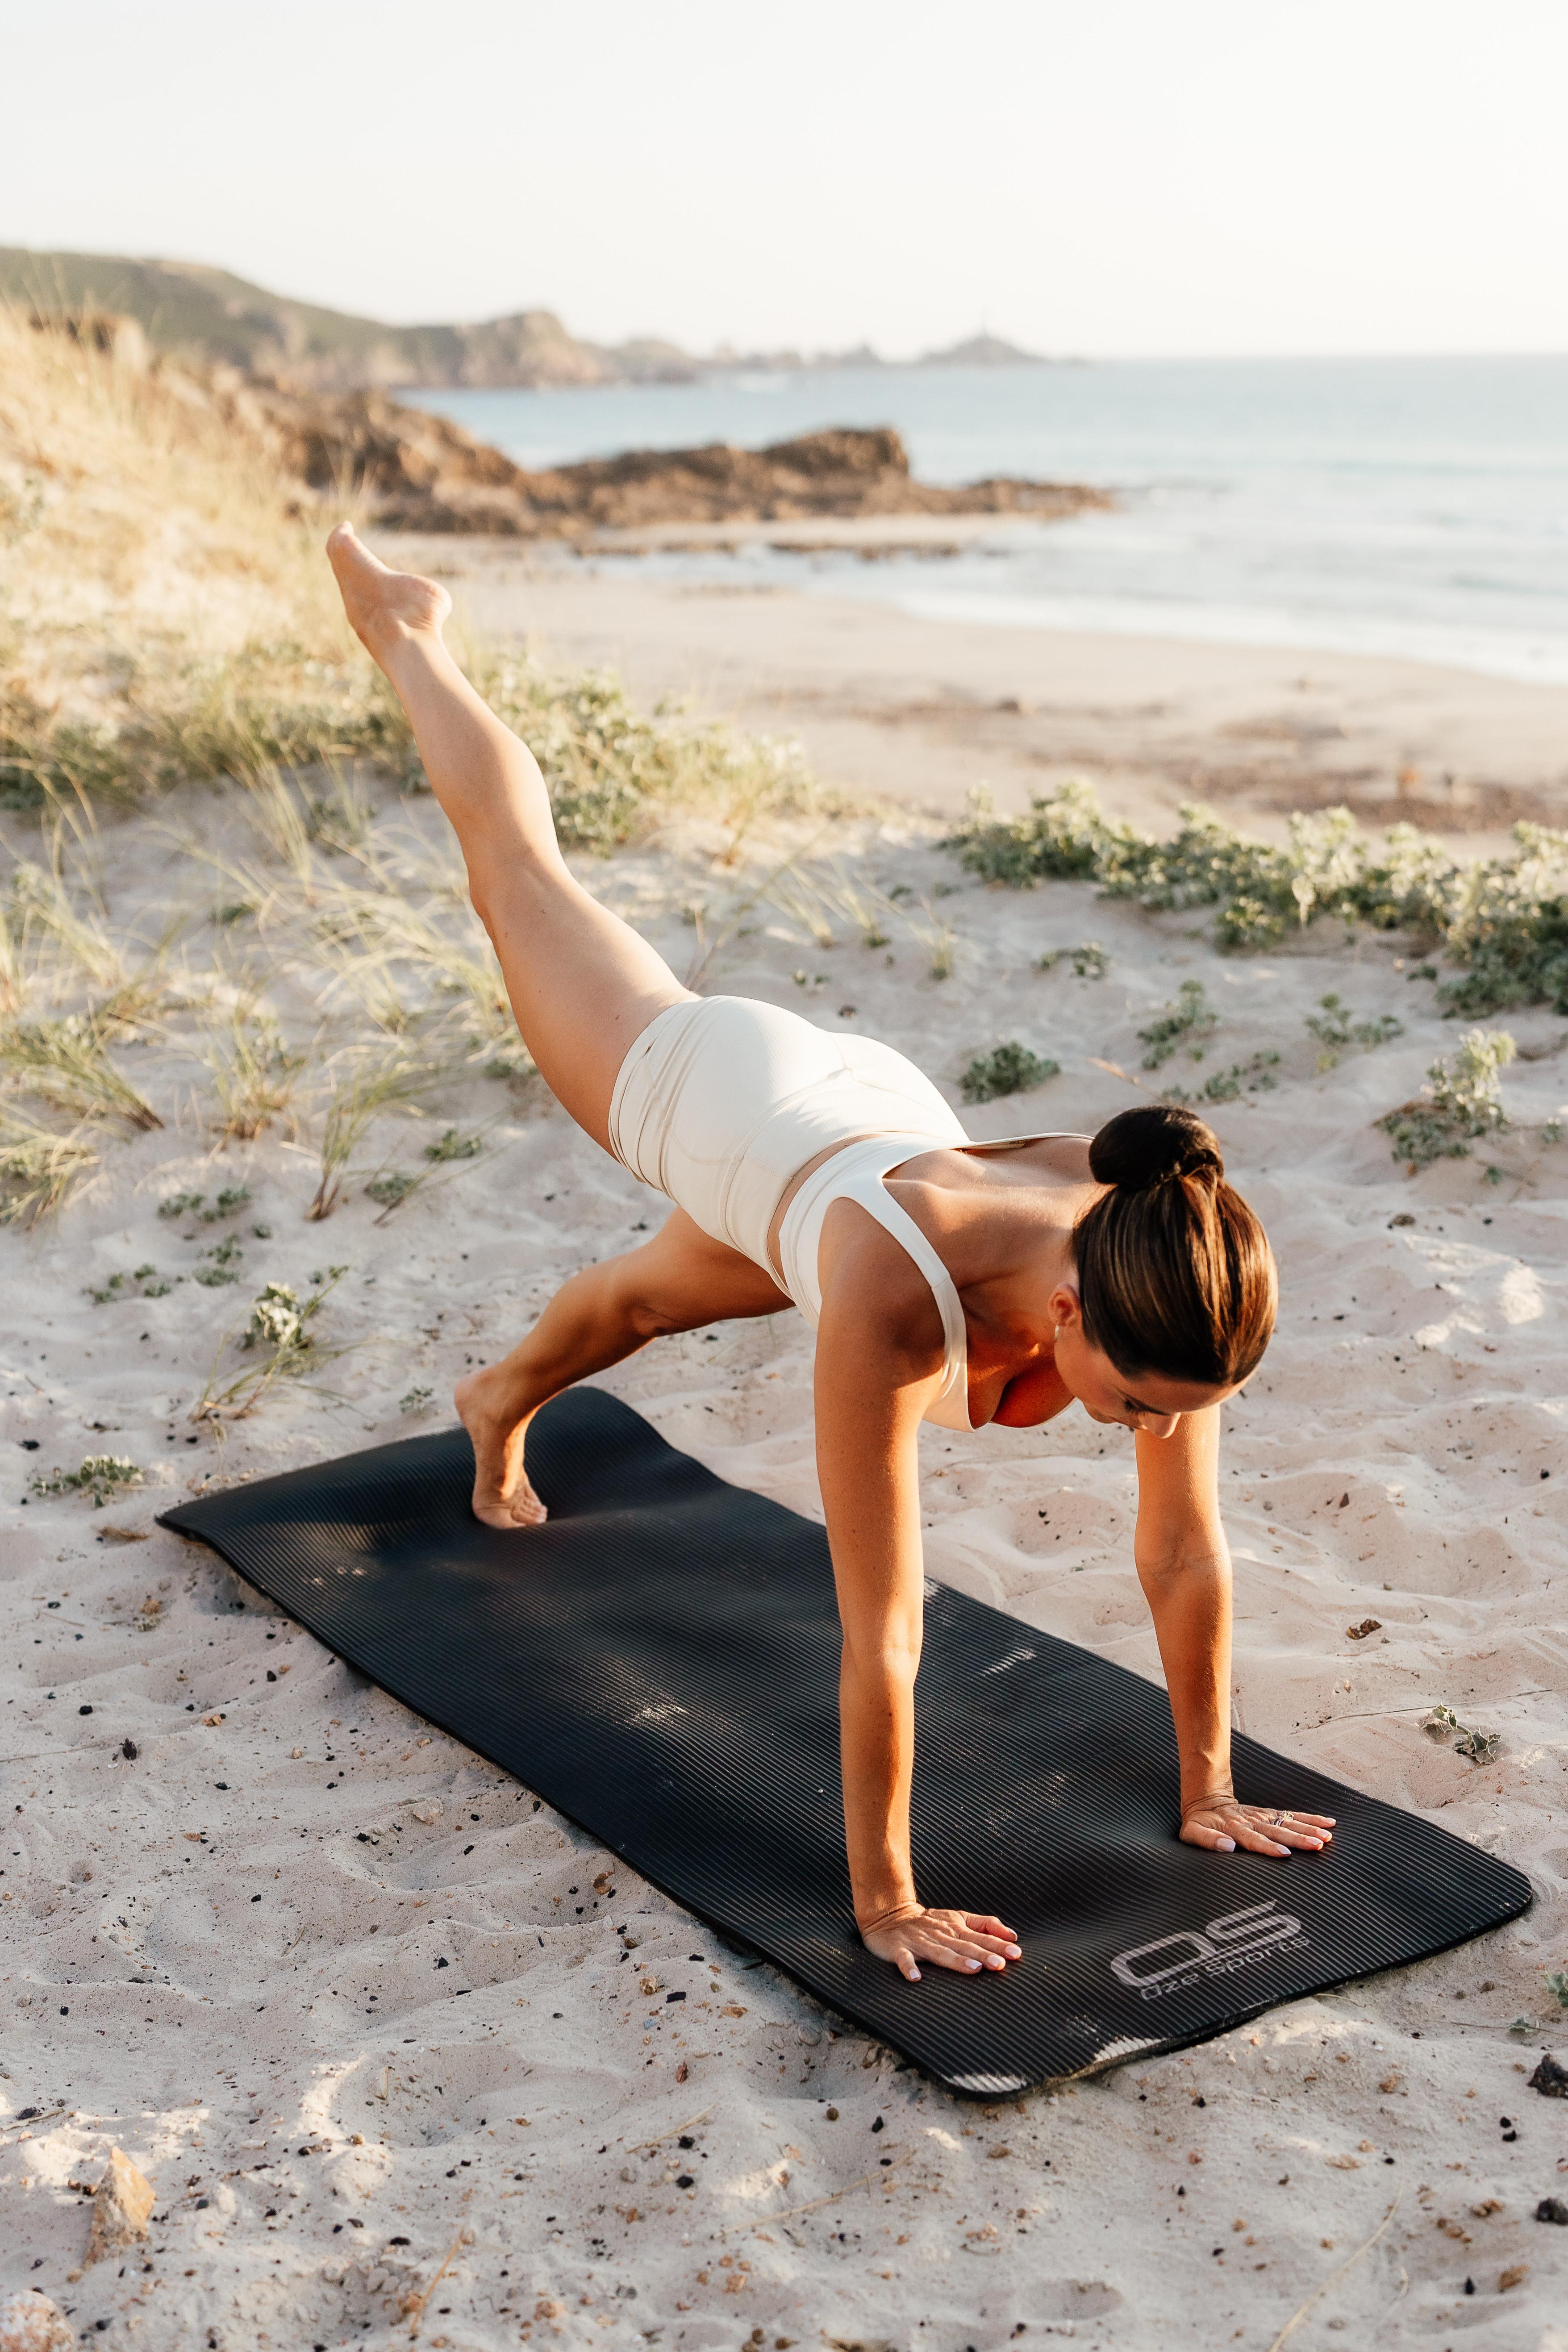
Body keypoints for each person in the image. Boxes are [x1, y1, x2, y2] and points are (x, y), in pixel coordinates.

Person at [325, 524, 1335, 1985]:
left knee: (644, 1299)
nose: (1161, 1431)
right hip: (716, 1098)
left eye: (1176, 1408)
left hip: (867, 1122)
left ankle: (499, 1402)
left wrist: (1211, 1785)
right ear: (1065, 1308)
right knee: (519, 880)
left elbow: (1185, 1551)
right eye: (1137, 1405)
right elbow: (884, 1627)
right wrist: (885, 1900)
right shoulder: (888, 1299)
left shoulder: (1168, 1266)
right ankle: (410, 633)